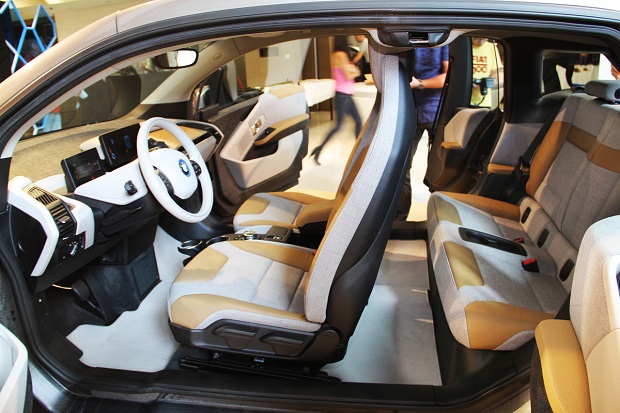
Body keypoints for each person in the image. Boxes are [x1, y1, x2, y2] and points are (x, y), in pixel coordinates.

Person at [395, 45, 449, 220]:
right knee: (402, 165)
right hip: (412, 110)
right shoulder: (408, 44)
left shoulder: (442, 42)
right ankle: (400, 217)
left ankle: (441, 217)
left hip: (435, 110)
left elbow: (447, 76)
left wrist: (419, 84)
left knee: (438, 169)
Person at [310, 36, 362, 165]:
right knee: (341, 126)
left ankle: (359, 154)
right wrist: (355, 71)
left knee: (357, 122)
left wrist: (353, 70)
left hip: (344, 95)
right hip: (343, 96)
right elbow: (349, 75)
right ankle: (319, 150)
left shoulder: (335, 55)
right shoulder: (341, 55)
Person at [471, 37, 502, 107]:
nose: (480, 41)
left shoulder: (492, 47)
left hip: (484, 100)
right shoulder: (464, 47)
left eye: (483, 39)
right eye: (477, 38)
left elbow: (496, 72)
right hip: (464, 98)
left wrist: (485, 82)